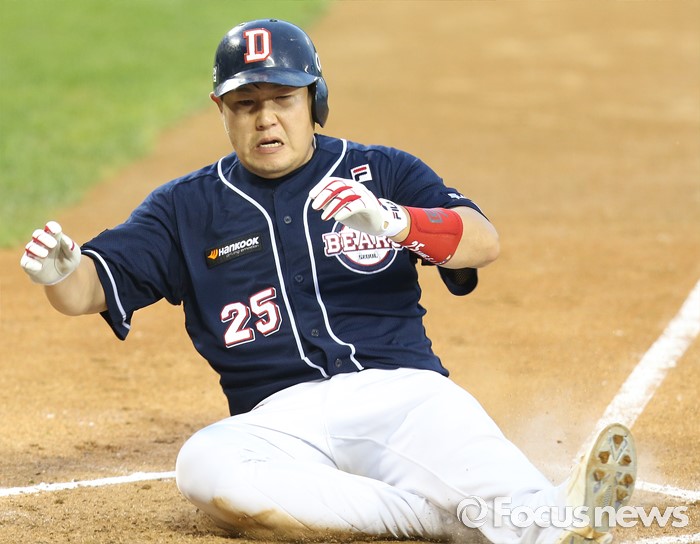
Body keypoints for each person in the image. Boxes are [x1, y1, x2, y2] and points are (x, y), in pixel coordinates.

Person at [20, 19, 636, 544]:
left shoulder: (382, 170)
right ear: (221, 111)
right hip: (278, 420)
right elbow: (89, 289)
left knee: (480, 464)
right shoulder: (186, 207)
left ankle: (550, 519)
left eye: (283, 99)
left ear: (314, 100)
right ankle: (443, 520)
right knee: (205, 465)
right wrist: (62, 272)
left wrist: (396, 222)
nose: (266, 119)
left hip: (402, 396)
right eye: (246, 104)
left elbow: (482, 240)